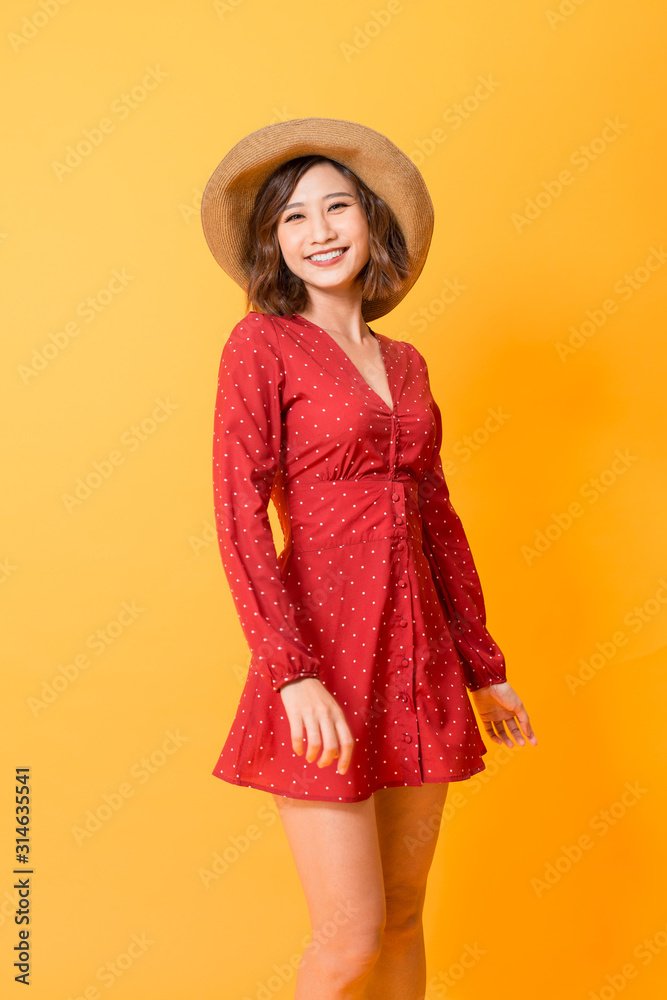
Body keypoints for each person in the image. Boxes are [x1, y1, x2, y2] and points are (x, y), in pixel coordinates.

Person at [201, 117, 537, 1000]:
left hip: (417, 660)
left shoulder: (411, 364)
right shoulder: (262, 346)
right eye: (292, 218)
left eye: (336, 207)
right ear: (272, 243)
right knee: (347, 939)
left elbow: (438, 519)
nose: (318, 232)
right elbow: (238, 514)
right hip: (319, 665)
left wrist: (483, 667)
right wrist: (288, 670)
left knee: (398, 919)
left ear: (371, 220)